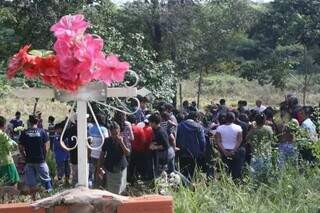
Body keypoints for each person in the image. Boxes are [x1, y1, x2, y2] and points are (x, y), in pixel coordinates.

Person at [19, 115, 52, 193]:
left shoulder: (24, 132)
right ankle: (50, 194)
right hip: (40, 160)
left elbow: (20, 147)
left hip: (29, 161)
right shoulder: (42, 131)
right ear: (37, 122)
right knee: (46, 180)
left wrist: (24, 156)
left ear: (29, 122)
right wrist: (44, 156)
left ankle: (33, 199)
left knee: (31, 183)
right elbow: (47, 145)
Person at [98, 122, 130, 194]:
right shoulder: (107, 140)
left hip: (120, 167)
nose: (115, 136)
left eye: (116, 133)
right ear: (110, 132)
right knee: (111, 190)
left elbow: (127, 153)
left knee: (120, 189)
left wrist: (121, 143)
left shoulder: (124, 139)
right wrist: (99, 166)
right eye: (113, 134)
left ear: (119, 131)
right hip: (110, 168)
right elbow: (102, 154)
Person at [176, 112, 206, 180]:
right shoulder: (198, 127)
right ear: (196, 118)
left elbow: (176, 138)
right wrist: (202, 151)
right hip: (195, 153)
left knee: (183, 172)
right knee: (193, 172)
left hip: (182, 152)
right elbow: (202, 141)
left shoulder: (180, 125)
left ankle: (184, 186)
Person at [215, 112, 245, 180]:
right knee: (235, 170)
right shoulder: (238, 127)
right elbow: (239, 140)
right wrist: (234, 150)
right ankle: (235, 184)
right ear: (234, 119)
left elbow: (218, 141)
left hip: (223, 152)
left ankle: (225, 183)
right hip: (235, 152)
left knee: (225, 170)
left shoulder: (219, 128)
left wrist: (224, 151)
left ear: (225, 119)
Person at [246, 113, 273, 181]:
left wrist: (252, 128)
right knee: (266, 175)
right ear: (264, 120)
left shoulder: (254, 130)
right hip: (266, 154)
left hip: (256, 154)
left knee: (254, 176)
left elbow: (247, 138)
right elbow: (271, 138)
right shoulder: (269, 128)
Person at [149, 113, 174, 177]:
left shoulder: (161, 132)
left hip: (166, 155)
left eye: (150, 122)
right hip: (161, 155)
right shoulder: (155, 130)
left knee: (170, 174)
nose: (149, 124)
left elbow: (166, 145)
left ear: (154, 123)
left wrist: (155, 147)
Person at [88, 114, 108, 188]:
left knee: (95, 170)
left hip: (93, 153)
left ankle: (96, 185)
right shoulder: (103, 129)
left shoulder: (91, 128)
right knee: (101, 170)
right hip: (101, 154)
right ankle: (101, 185)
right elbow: (106, 141)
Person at [0, 116, 20, 187]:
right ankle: (11, 197)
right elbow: (11, 146)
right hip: (6, 162)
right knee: (13, 182)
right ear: (3, 125)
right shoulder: (2, 135)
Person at [127, 115, 146, 184]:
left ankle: (129, 181)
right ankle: (136, 180)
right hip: (139, 151)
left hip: (129, 151)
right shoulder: (139, 129)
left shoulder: (126, 128)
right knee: (138, 167)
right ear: (135, 121)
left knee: (130, 167)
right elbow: (143, 140)